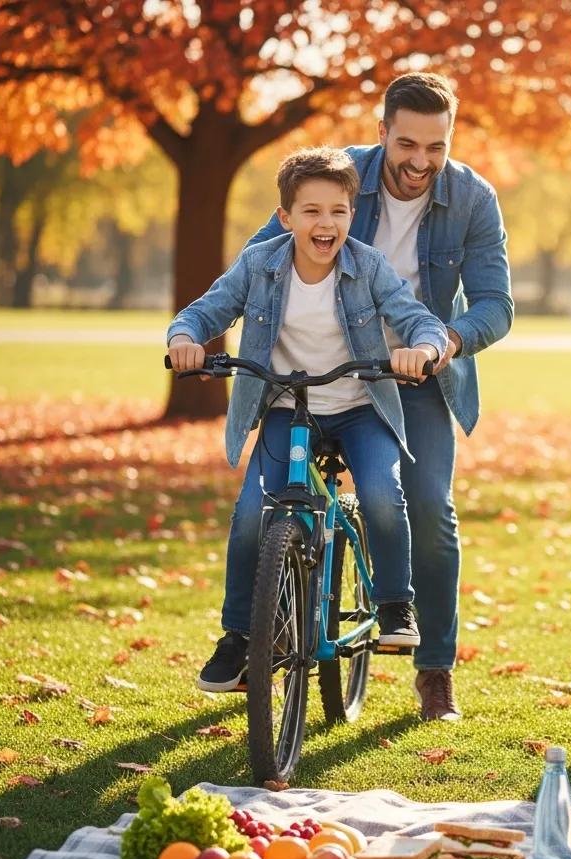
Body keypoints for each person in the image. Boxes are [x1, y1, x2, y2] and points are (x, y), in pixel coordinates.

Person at [244, 72, 513, 722]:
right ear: (383, 132)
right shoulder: (336, 178)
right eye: (408, 144)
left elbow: (496, 306)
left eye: (436, 146)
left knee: (428, 507)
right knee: (266, 500)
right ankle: (259, 636)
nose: (421, 161)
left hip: (415, 376)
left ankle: (435, 671)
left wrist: (441, 341)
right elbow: (257, 256)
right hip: (325, 369)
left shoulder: (472, 198)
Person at [166, 147, 449, 691]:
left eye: (338, 211)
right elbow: (206, 310)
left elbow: (416, 319)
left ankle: (394, 604)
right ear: (286, 218)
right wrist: (184, 339)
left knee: (384, 494)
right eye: (312, 211)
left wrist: (425, 348)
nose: (326, 223)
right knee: (253, 512)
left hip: (359, 409)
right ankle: (238, 637)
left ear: (351, 213)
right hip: (285, 409)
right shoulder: (259, 264)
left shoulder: (368, 266)